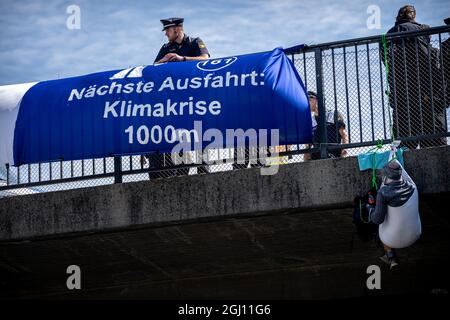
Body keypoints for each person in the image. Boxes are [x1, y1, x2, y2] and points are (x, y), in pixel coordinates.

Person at [143, 17, 211, 177]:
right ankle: (182, 171)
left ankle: (203, 169)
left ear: (177, 29)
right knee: (181, 135)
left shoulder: (194, 42)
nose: (166, 34)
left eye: (168, 30)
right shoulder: (166, 47)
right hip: (175, 101)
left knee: (199, 132)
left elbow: (206, 59)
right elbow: (153, 69)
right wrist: (164, 60)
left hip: (195, 98)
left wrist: (183, 59)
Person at [385, 5, 447, 149]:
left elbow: (385, 59)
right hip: (424, 90)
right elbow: (428, 60)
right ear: (413, 15)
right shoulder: (422, 30)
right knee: (433, 137)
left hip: (400, 91)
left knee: (405, 139)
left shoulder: (389, 35)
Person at [370, 160, 417, 269]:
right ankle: (391, 257)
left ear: (385, 176)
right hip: (415, 235)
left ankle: (390, 256)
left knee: (381, 218)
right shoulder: (413, 187)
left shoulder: (383, 193)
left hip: (391, 239)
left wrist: (370, 210)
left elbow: (377, 220)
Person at [304, 91, 349, 160]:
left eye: (309, 100)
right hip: (317, 154)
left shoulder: (333, 114)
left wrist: (344, 149)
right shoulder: (310, 121)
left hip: (334, 151)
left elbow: (343, 134)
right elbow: (308, 144)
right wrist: (306, 156)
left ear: (316, 100)